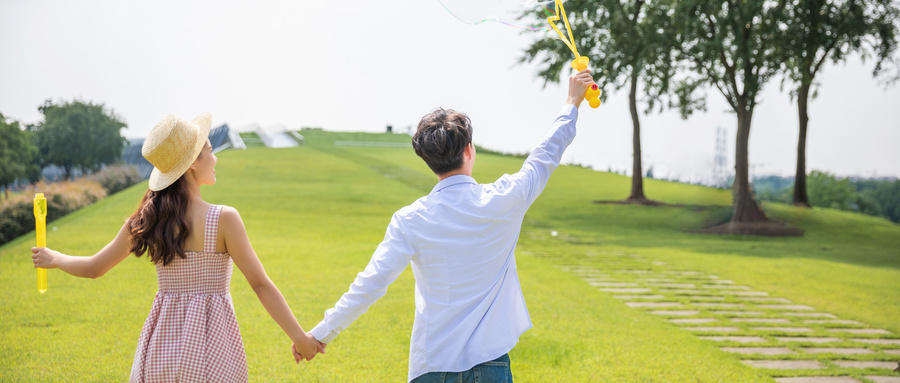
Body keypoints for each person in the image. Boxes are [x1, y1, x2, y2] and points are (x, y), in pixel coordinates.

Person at [307, 70, 595, 382]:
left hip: (433, 364)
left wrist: (322, 333)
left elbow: (371, 283)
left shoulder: (411, 219)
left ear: (428, 160)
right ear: (469, 150)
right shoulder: (504, 198)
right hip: (491, 366)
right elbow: (545, 155)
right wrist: (571, 102)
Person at [30, 113, 319, 382]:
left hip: (160, 345)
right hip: (213, 345)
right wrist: (300, 338)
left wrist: (55, 258)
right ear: (193, 162)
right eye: (210, 151)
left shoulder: (146, 219)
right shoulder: (224, 219)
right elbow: (260, 285)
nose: (215, 158)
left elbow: (94, 268)